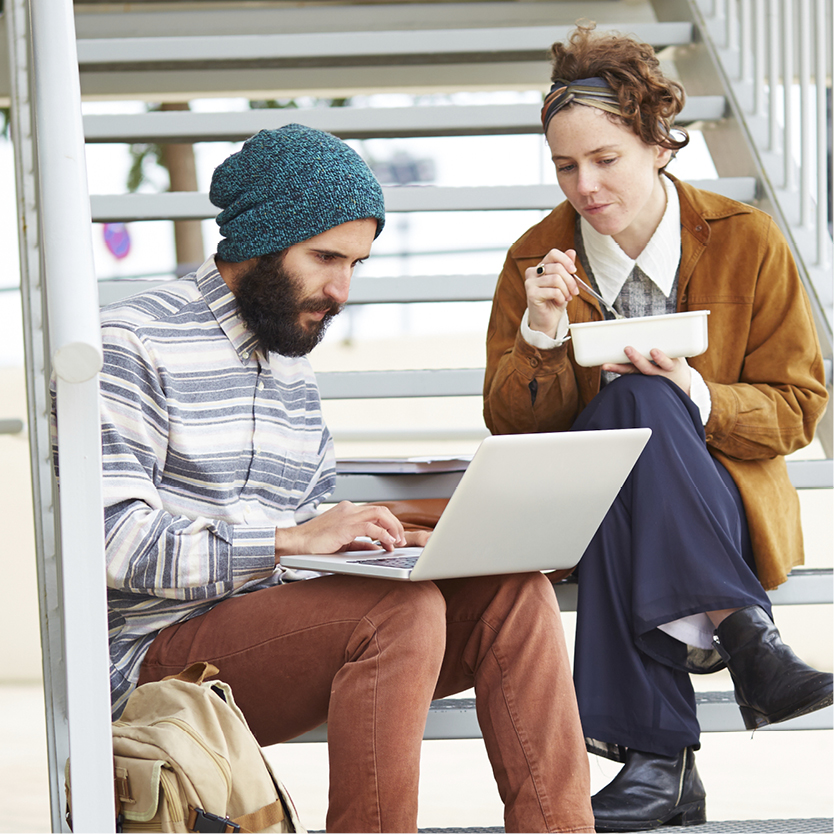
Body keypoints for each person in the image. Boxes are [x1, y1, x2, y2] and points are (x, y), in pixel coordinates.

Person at [70, 124, 595, 833]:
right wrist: (290, 539)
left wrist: (417, 546)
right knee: (397, 615)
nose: (342, 289)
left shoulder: (291, 364)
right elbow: (112, 542)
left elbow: (310, 550)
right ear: (259, 240)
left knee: (515, 592)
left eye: (356, 263)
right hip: (159, 663)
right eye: (325, 258)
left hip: (278, 637)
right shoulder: (133, 342)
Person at [483, 24, 832, 833]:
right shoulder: (534, 260)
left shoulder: (747, 238)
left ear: (658, 145)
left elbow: (798, 407)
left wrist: (697, 395)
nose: (584, 185)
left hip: (722, 498)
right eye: (565, 166)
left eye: (605, 159)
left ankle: (659, 763)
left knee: (644, 401)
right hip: (600, 495)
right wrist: (540, 330)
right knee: (626, 414)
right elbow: (510, 426)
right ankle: (746, 638)